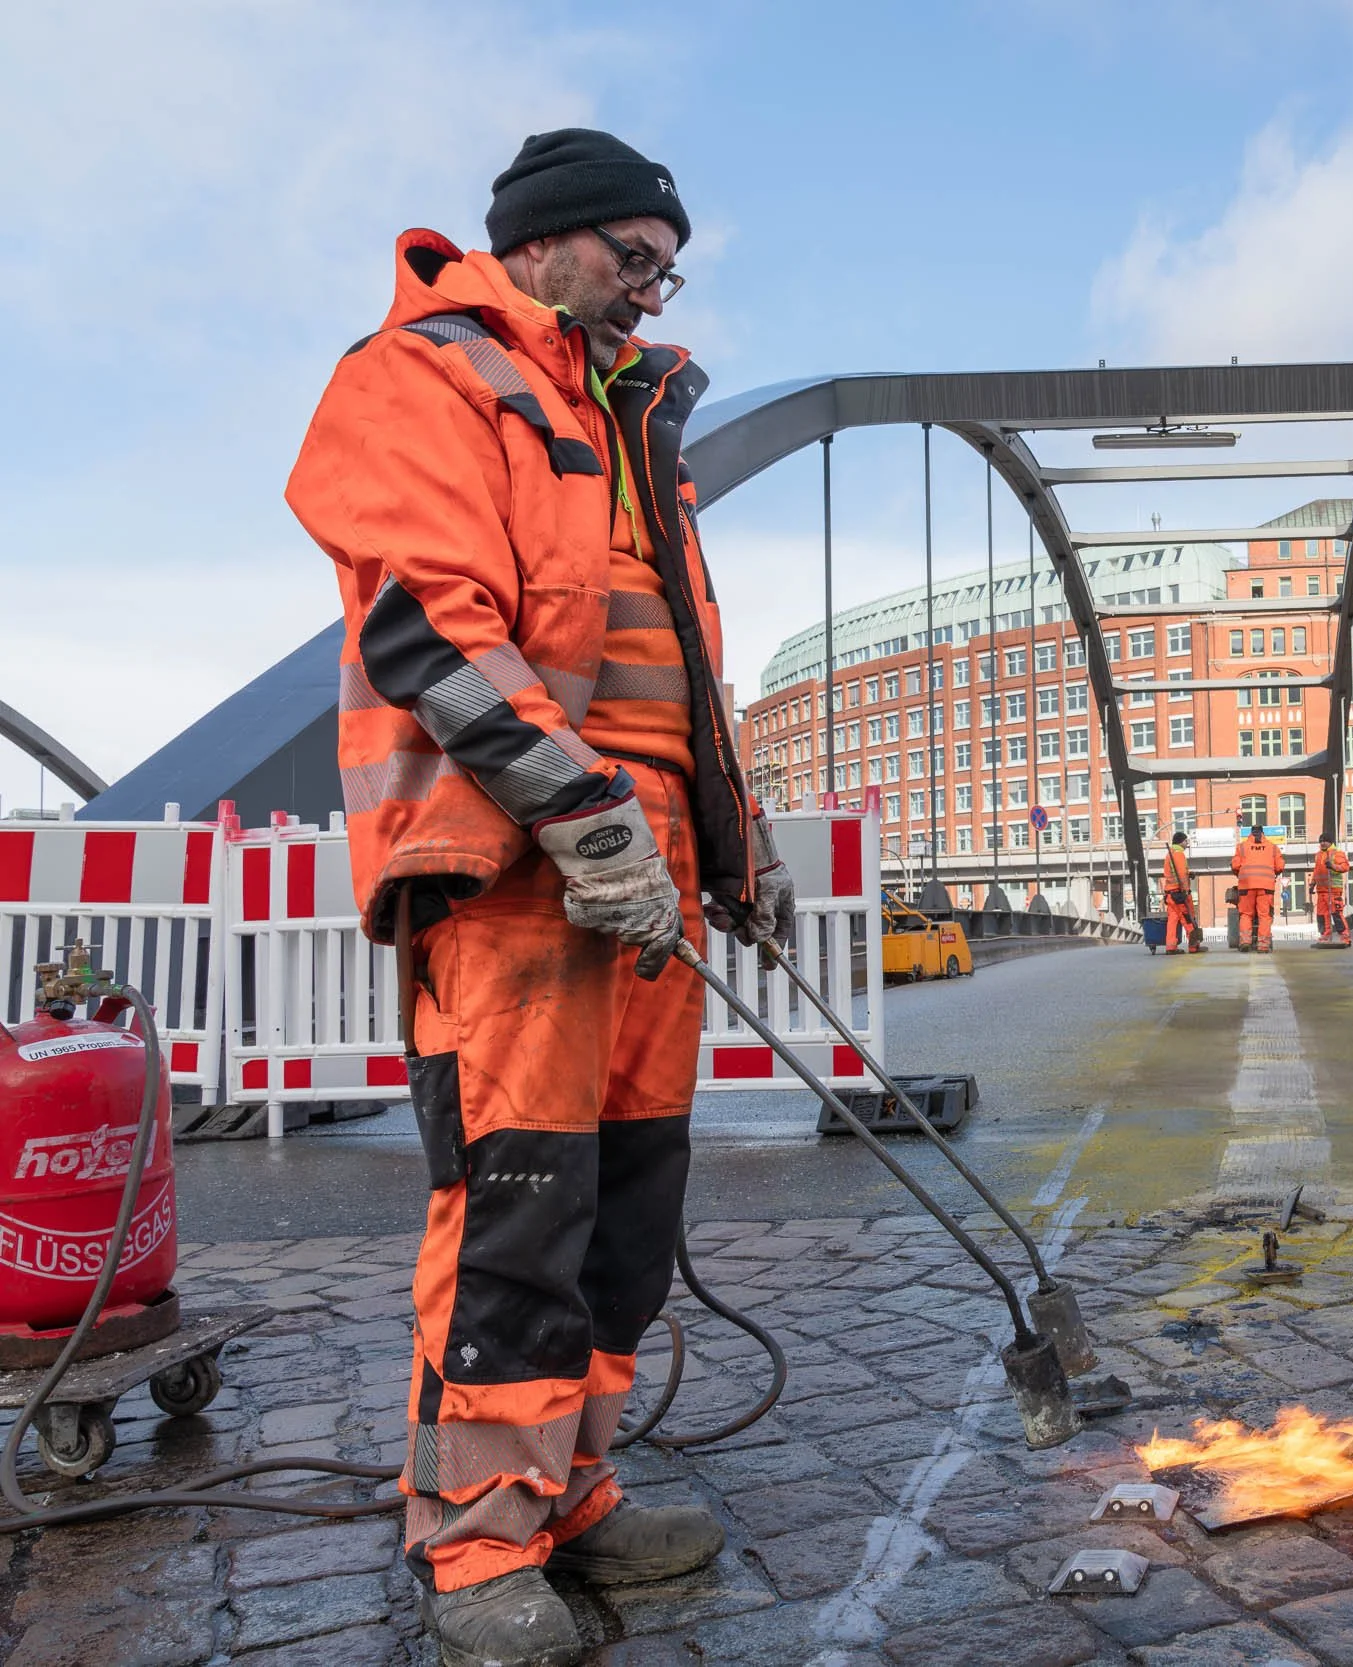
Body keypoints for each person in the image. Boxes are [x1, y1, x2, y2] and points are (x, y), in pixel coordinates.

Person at [288, 129, 795, 1667]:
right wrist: (581, 816)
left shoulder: (630, 420)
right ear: (546, 242)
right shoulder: (426, 376)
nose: (652, 290)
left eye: (667, 267)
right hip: (517, 864)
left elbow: (680, 672)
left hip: (644, 876)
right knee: (519, 1201)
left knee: (628, 1201)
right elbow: (430, 625)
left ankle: (572, 1487)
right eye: (631, 257)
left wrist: (731, 847)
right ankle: (479, 1536)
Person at [1230, 821, 1283, 951]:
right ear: (1263, 833)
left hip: (1246, 886)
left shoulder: (1241, 847)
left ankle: (1245, 942)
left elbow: (1235, 865)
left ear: (1250, 833)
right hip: (1266, 887)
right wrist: (1273, 873)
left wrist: (1239, 874)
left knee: (1246, 914)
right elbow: (1280, 866)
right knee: (1264, 915)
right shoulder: (1272, 847)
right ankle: (1263, 945)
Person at [1161, 830, 1204, 953]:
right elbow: (1180, 875)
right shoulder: (1179, 854)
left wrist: (1188, 874)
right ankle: (1193, 946)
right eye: (1186, 841)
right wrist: (1185, 891)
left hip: (1170, 894)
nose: (1187, 843)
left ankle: (1170, 946)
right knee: (1187, 918)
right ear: (1181, 842)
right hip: (1179, 893)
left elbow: (1176, 873)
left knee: (1173, 920)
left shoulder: (1169, 854)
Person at [1311, 837, 1351, 943]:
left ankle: (1345, 936)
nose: (1322, 843)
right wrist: (1312, 884)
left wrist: (1333, 866)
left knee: (1336, 913)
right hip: (1321, 890)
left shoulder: (1337, 853)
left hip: (1333, 890)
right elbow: (1316, 871)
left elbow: (1345, 867)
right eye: (1320, 841)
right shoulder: (1318, 855)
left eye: (1325, 841)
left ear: (1330, 842)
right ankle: (1325, 935)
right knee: (1321, 915)